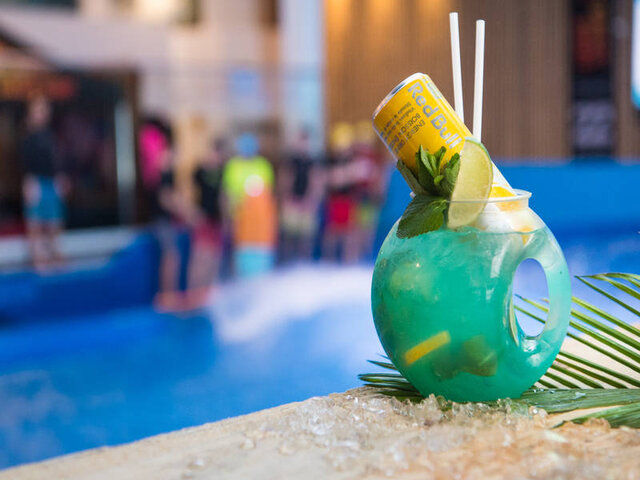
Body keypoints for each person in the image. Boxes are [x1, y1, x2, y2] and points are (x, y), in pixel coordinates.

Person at [21, 95, 68, 270]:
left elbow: (55, 160)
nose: (42, 113)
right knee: (36, 223)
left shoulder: (50, 135)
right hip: (36, 182)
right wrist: (28, 180)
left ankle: (54, 254)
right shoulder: (27, 135)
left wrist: (60, 177)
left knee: (54, 221)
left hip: (51, 182)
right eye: (38, 110)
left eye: (44, 109)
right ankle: (38, 258)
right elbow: (23, 161)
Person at [222, 133, 277, 278]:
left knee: (260, 257)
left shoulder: (263, 166)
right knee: (240, 255)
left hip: (260, 222)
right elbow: (226, 193)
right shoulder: (233, 166)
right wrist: (227, 216)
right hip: (239, 219)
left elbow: (269, 195)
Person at [185, 138, 227, 307]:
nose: (216, 158)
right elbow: (188, 191)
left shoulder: (223, 171)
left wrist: (226, 218)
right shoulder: (199, 171)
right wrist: (191, 212)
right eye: (214, 154)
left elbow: (224, 196)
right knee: (200, 257)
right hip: (203, 219)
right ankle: (192, 295)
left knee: (214, 259)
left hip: (216, 220)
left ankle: (206, 296)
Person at [279, 129, 322, 262]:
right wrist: (286, 197)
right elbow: (286, 179)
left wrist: (313, 198)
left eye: (305, 142)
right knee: (290, 233)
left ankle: (304, 260)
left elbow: (315, 180)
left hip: (306, 201)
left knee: (306, 234)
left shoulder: (311, 161)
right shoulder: (291, 160)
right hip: (293, 199)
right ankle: (289, 260)